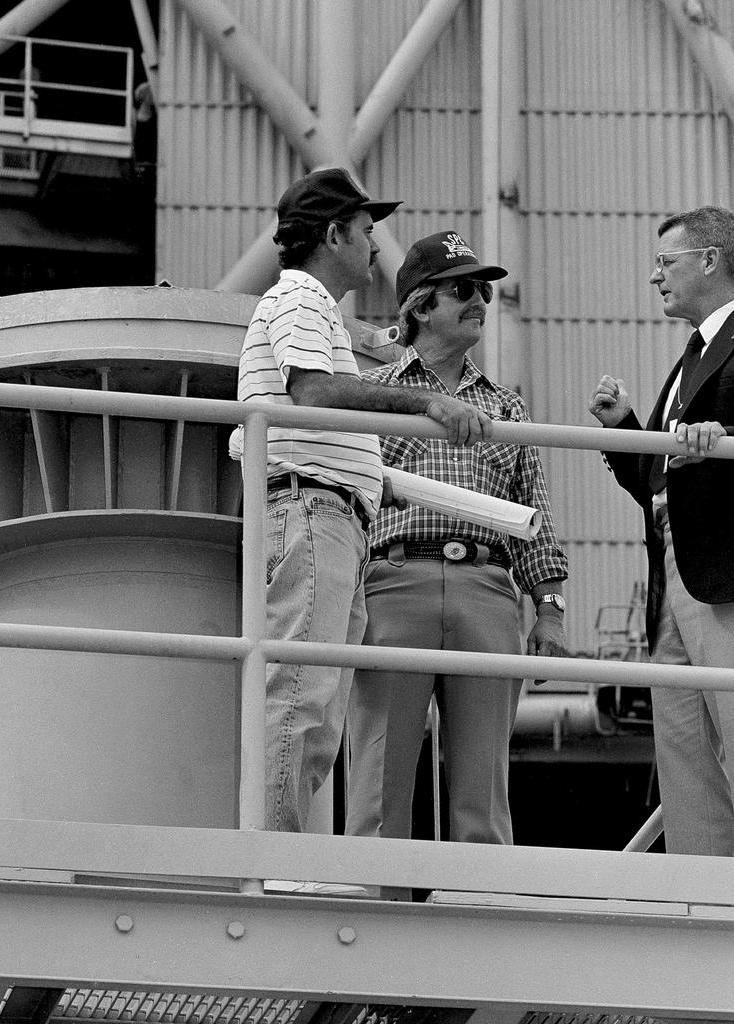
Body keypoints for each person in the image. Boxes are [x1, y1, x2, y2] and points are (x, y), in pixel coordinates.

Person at [231, 170, 491, 840]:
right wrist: (427, 400)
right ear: (336, 232)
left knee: (314, 710)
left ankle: (279, 860)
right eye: (368, 232)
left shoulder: (310, 307)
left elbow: (343, 356)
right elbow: (314, 395)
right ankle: (275, 867)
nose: (377, 249)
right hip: (314, 511)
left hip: (329, 513)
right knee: (299, 700)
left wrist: (388, 340)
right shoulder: (298, 300)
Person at [588, 205, 734, 860]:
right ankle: (706, 902)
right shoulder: (687, 361)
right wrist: (628, 426)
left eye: (667, 263)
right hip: (677, 572)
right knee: (685, 753)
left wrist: (723, 439)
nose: (655, 277)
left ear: (711, 261)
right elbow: (660, 479)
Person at [346, 230, 569, 851]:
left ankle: (480, 912)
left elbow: (535, 517)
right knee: (377, 777)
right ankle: (369, 905)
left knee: (484, 782)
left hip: (489, 591)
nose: (481, 302)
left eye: (486, 291)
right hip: (392, 586)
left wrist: (549, 612)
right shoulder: (371, 400)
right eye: (465, 289)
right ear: (419, 306)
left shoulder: (506, 407)